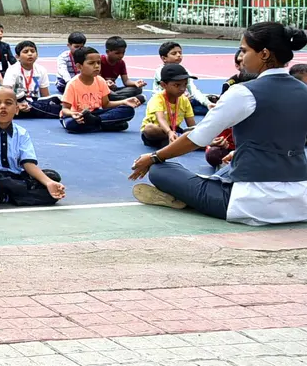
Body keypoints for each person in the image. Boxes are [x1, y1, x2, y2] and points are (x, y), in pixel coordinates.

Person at [129, 23, 307, 225]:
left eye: (244, 50)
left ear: (264, 54)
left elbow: (197, 138)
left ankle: (186, 198)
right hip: (300, 202)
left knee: (161, 170)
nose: (241, 57)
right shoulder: (303, 91)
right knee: (230, 163)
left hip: (250, 204)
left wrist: (153, 157)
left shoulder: (244, 92)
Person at [0, 87, 66, 208]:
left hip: (14, 175)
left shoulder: (21, 133)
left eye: (8, 103)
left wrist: (49, 182)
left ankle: (3, 197)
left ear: (17, 109)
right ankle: (25, 189)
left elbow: (28, 163)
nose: (3, 106)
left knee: (52, 179)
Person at [60, 46, 138, 133]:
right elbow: (65, 110)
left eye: (98, 63)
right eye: (91, 63)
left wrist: (124, 101)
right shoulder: (72, 84)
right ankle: (104, 124)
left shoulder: (100, 80)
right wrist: (73, 114)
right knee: (72, 125)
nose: (96, 66)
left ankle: (96, 122)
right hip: (78, 115)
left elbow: (106, 104)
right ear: (79, 66)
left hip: (95, 114)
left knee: (128, 110)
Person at [152, 42, 218, 115]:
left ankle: (210, 102)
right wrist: (182, 98)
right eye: (174, 53)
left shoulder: (184, 71)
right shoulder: (160, 72)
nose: (178, 55)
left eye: (180, 53)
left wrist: (207, 103)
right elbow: (164, 92)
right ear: (164, 58)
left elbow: (193, 90)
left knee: (208, 103)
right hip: (168, 103)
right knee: (206, 110)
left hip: (186, 100)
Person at [140, 63, 196, 148]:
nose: (182, 89)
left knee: (198, 133)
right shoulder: (157, 99)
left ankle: (178, 140)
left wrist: (197, 134)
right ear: (163, 85)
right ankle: (179, 141)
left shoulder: (184, 99)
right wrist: (169, 132)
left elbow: (191, 124)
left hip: (176, 130)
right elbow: (160, 118)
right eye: (177, 85)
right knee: (149, 129)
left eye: (185, 84)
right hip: (159, 130)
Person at [4, 41, 61, 119]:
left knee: (59, 106)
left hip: (35, 103)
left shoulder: (41, 70)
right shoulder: (12, 70)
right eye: (25, 52)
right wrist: (17, 105)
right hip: (17, 103)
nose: (30, 54)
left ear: (37, 55)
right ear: (17, 57)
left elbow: (45, 96)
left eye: (33, 51)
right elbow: (6, 94)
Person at [100, 36, 146, 102]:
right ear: (108, 52)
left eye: (123, 53)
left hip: (112, 90)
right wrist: (105, 83)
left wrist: (135, 83)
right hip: (101, 89)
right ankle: (126, 99)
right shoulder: (100, 61)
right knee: (106, 92)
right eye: (117, 53)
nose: (121, 55)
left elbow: (126, 81)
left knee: (138, 89)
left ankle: (118, 98)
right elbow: (95, 79)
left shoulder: (121, 63)